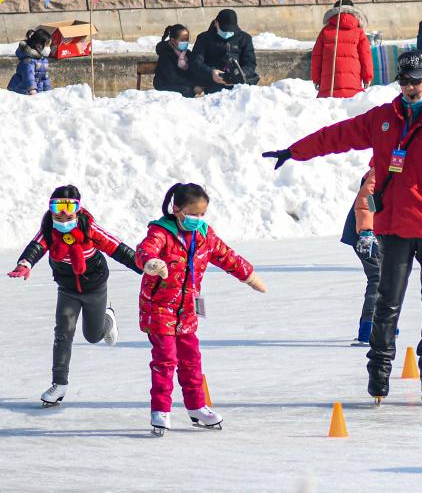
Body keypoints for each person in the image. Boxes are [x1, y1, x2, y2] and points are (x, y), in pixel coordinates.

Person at [262, 50, 422, 405]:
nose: (409, 87)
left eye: (415, 81)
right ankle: (379, 369)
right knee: (387, 301)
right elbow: (337, 136)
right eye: (403, 81)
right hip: (394, 223)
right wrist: (295, 151)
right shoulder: (384, 118)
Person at [136, 183, 267, 434]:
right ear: (176, 209)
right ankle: (160, 410)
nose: (197, 219)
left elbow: (227, 256)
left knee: (192, 360)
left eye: (202, 214)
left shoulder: (205, 236)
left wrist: (249, 277)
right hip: (159, 307)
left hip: (187, 309)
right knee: (165, 360)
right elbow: (145, 250)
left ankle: (197, 406)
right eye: (192, 213)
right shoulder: (161, 233)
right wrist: (151, 262)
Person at [6, 185, 141, 407]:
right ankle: (59, 384)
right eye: (57, 212)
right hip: (67, 289)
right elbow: (36, 246)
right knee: (63, 333)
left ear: (78, 210)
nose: (63, 217)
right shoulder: (49, 228)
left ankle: (107, 319)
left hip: (94, 287)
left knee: (93, 336)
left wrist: (144, 268)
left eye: (69, 212)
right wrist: (25, 263)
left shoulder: (89, 228)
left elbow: (117, 248)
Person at [339, 167, 382, 345]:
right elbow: (367, 199)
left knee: (390, 279)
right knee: (378, 278)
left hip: (381, 233)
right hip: (365, 233)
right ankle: (369, 329)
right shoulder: (389, 163)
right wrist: (366, 230)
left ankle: (385, 325)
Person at [310, 2, 373, 99]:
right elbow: (365, 56)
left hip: (329, 89)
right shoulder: (359, 32)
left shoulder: (325, 31)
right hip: (353, 88)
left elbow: (316, 57)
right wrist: (367, 77)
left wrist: (316, 79)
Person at [191, 9, 259, 93]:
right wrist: (211, 73)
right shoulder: (204, 38)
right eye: (224, 29)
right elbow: (195, 62)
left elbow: (250, 63)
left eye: (230, 29)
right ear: (216, 23)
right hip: (213, 82)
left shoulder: (244, 38)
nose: (227, 32)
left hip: (238, 84)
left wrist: (240, 74)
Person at [154, 24, 204, 97]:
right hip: (165, 84)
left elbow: (195, 68)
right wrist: (193, 86)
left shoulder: (187, 53)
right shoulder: (165, 55)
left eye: (187, 39)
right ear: (173, 40)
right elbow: (172, 77)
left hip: (183, 83)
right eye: (182, 40)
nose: (185, 42)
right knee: (187, 90)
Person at [7, 29, 52, 95]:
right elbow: (28, 75)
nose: (48, 48)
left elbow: (45, 78)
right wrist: (32, 89)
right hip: (21, 91)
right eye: (47, 46)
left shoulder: (43, 60)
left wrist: (48, 90)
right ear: (38, 45)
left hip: (35, 92)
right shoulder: (28, 61)